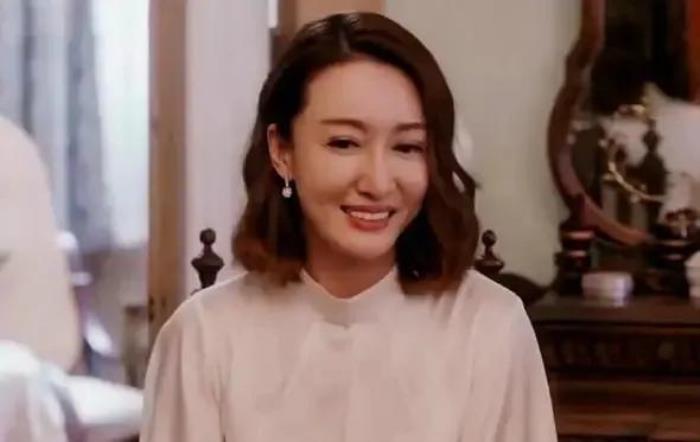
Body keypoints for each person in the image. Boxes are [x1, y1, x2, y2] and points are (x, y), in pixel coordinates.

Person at [141, 12, 556, 442]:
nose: (378, 183)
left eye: (407, 146)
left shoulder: (489, 327)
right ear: (282, 151)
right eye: (344, 143)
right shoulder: (204, 337)